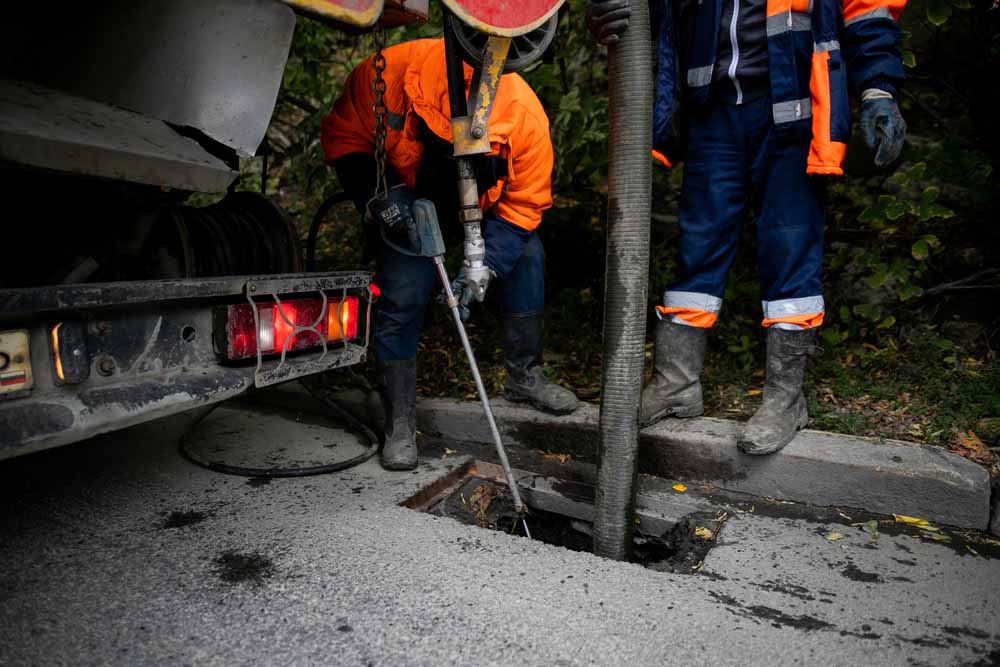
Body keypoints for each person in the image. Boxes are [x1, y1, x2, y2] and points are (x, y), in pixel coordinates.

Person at [588, 0, 907, 454]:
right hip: (714, 112)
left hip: (792, 111)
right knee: (697, 246)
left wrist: (878, 89)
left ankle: (785, 399)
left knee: (789, 247)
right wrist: (605, 14)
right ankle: (676, 383)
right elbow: (656, 14)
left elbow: (867, 13)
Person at [322, 38, 579, 471]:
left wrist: (488, 264)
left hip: (486, 210)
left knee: (528, 258)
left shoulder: (524, 116)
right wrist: (377, 194)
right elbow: (345, 136)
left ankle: (525, 376)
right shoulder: (389, 74)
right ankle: (400, 420)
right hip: (412, 205)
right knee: (402, 292)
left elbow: (525, 204)